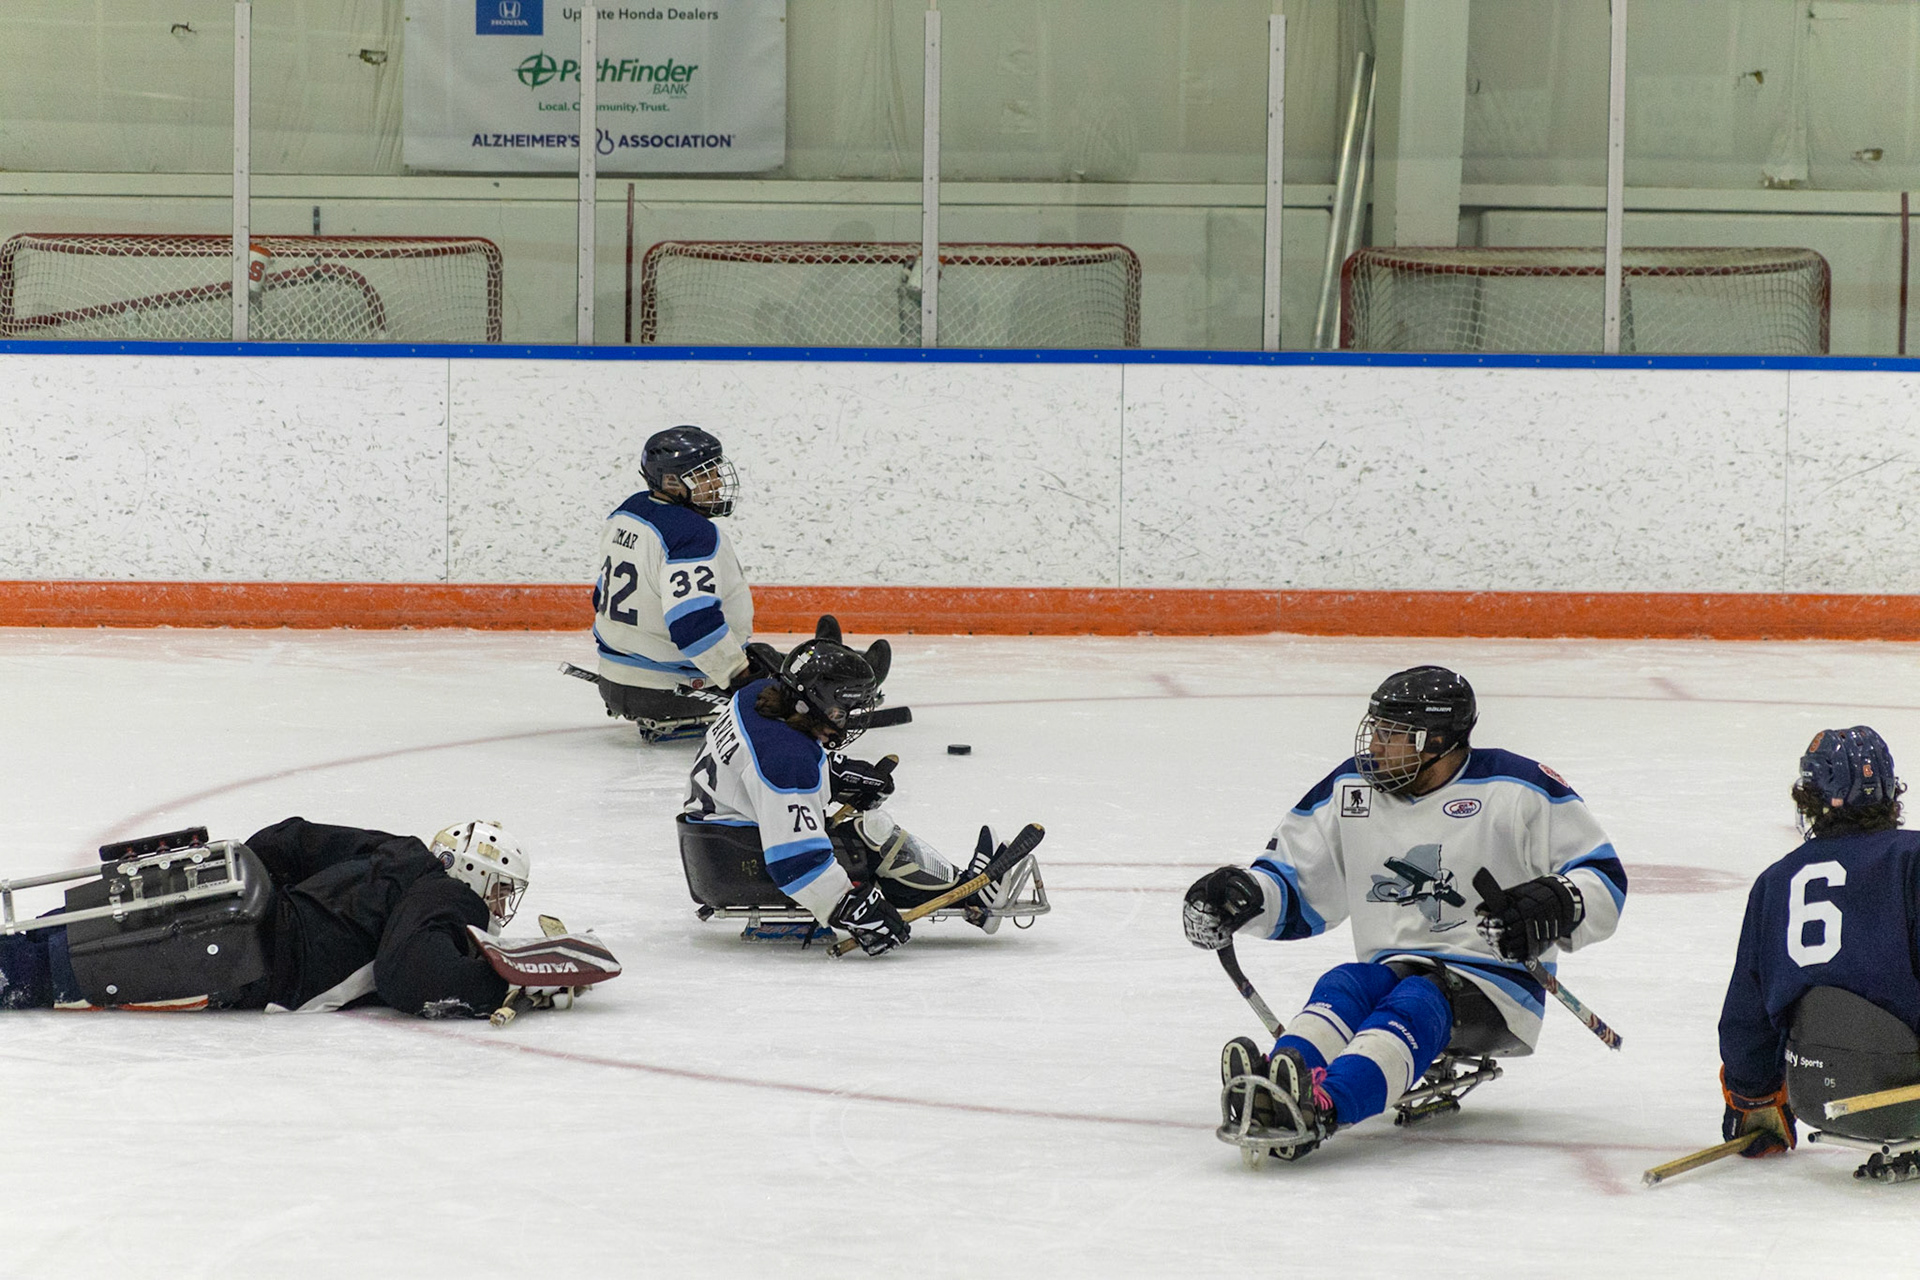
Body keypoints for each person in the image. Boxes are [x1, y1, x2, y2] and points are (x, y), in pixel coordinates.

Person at [1183, 665, 1628, 1161]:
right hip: (1389, 967)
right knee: (1345, 984)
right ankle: (1281, 1082)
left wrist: (1554, 903)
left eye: (1392, 736)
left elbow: (1602, 876)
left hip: (1497, 983)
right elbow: (1299, 882)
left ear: (1438, 742)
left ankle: (1324, 1106)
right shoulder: (1352, 788)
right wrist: (1245, 897)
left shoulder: (1517, 787)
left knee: (1419, 997)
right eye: (1375, 729)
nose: (1373, 745)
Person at [680, 636, 1042, 954]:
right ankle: (971, 894)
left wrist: (833, 775)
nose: (850, 716)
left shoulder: (757, 697)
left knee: (858, 834)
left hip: (716, 845)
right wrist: (847, 906)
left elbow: (756, 766)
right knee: (870, 837)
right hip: (736, 868)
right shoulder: (788, 761)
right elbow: (796, 862)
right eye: (846, 707)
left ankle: (959, 883)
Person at [0, 817, 528, 1018]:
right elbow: (411, 976)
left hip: (232, 894)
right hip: (246, 962)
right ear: (470, 873)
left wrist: (252, 895)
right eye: (499, 888)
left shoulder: (401, 851)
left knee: (48, 932)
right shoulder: (450, 896)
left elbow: (288, 840)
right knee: (44, 972)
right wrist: (496, 982)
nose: (497, 903)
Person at [1716, 726, 1920, 1176]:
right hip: (1906, 1094)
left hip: (1817, 1095)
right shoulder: (1913, 857)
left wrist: (1754, 1100)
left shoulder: (1775, 881)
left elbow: (1746, 1015)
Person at [589, 425, 766, 742]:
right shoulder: (691, 533)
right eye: (704, 475)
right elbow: (693, 624)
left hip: (613, 680)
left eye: (715, 471)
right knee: (779, 673)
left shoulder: (627, 511)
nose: (717, 482)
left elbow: (599, 596)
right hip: (672, 690)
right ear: (672, 482)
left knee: (760, 656)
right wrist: (739, 676)